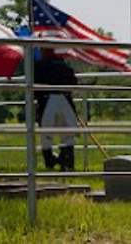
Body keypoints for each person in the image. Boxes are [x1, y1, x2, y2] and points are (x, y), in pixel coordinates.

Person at [35, 31, 80, 172]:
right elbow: (73, 83)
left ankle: (51, 161)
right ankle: (66, 162)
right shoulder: (64, 66)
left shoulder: (39, 67)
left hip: (47, 100)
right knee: (67, 134)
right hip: (64, 99)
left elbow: (35, 86)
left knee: (47, 135)